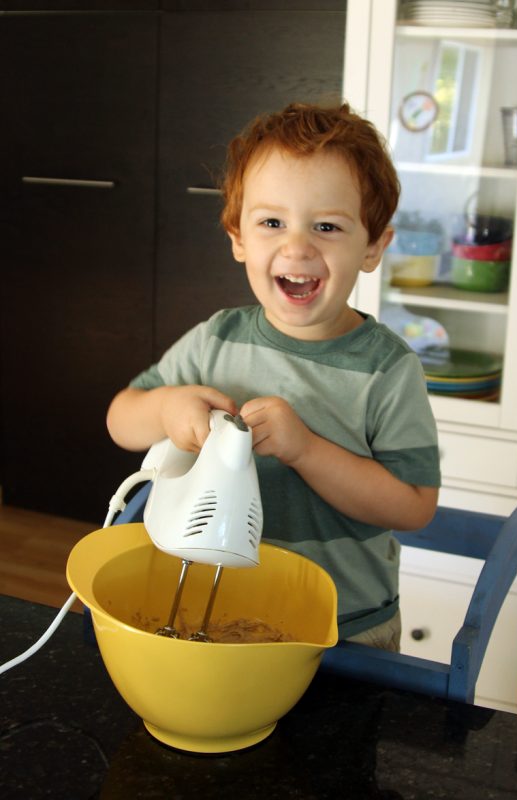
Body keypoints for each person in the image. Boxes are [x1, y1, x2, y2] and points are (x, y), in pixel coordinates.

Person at [106, 102, 440, 651]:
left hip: (343, 630)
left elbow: (413, 506)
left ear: (374, 246)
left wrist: (305, 449)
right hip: (216, 618)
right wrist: (167, 408)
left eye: (327, 226)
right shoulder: (216, 339)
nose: (297, 246)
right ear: (238, 237)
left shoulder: (387, 369)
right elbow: (121, 417)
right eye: (271, 222)